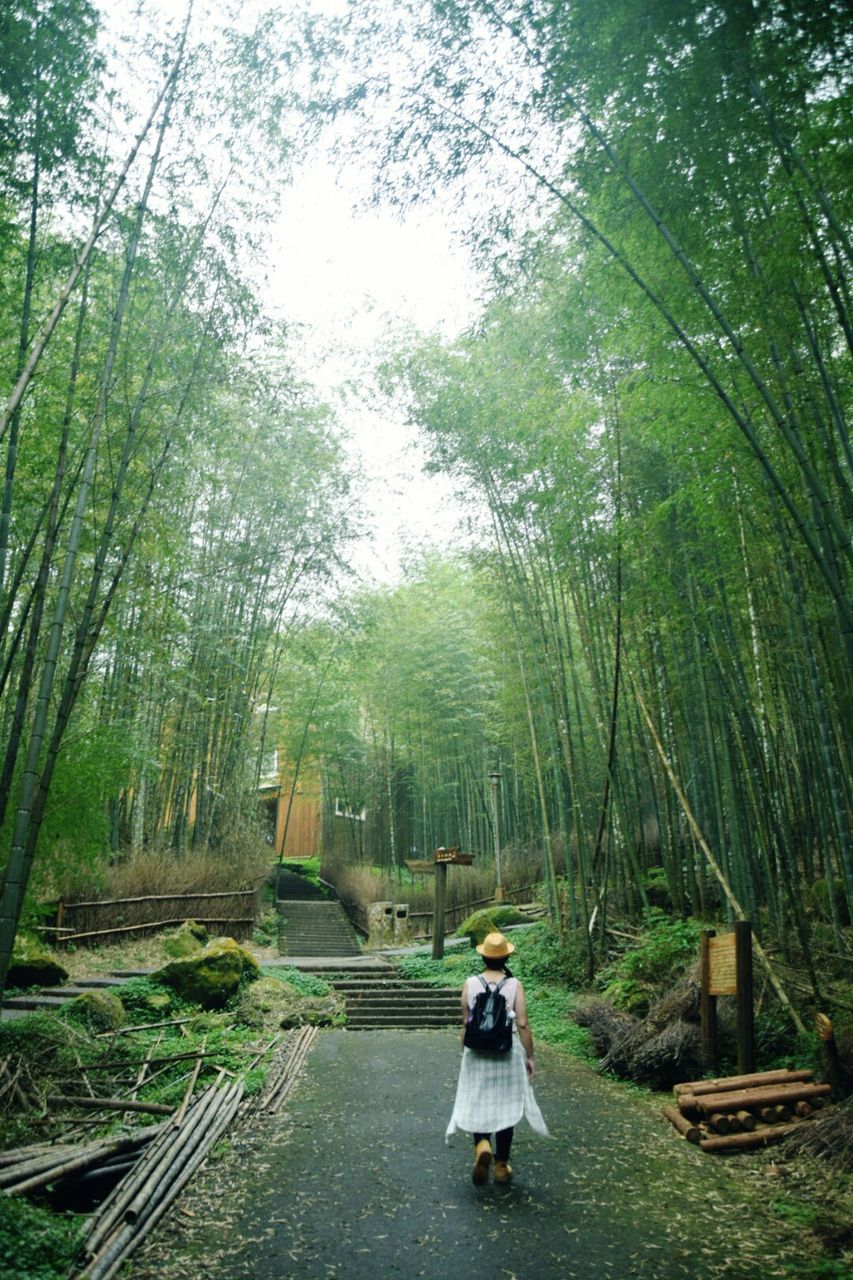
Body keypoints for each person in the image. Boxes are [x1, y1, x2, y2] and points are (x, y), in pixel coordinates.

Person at [446, 931, 548, 1184]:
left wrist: (464, 1052)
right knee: (505, 1105)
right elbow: (522, 1024)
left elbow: (466, 1021)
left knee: (478, 1101)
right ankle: (501, 1166)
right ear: (506, 958)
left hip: (476, 1053)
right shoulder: (514, 985)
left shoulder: (471, 983)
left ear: (484, 957)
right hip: (506, 1052)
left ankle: (481, 1145)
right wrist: (530, 1057)